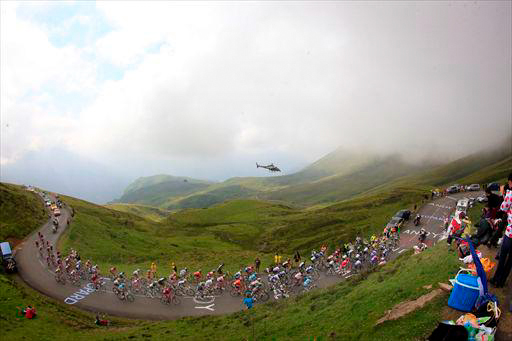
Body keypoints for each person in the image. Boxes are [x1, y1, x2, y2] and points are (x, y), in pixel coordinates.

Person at [490, 174, 512, 288]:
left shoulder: (510, 193)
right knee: (510, 262)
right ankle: (502, 282)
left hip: (510, 234)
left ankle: (496, 280)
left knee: (503, 257)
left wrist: (504, 193)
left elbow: (503, 208)